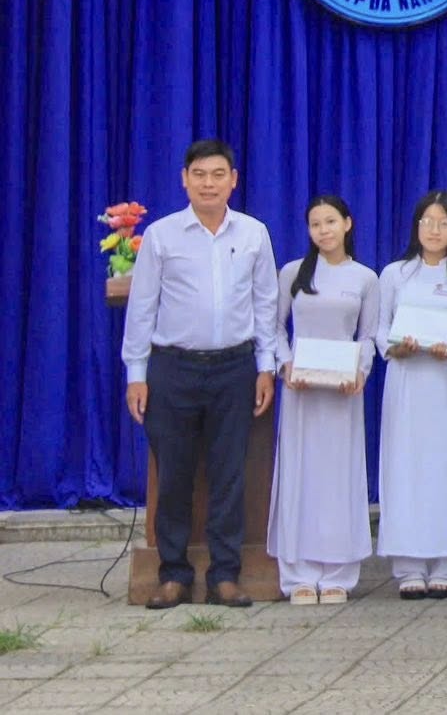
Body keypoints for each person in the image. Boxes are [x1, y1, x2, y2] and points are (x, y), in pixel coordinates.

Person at [120, 139, 279, 609]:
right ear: (184, 180)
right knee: (174, 474)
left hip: (235, 367)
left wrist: (265, 367)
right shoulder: (162, 236)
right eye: (200, 175)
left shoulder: (253, 234)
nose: (209, 184)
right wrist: (136, 373)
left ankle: (225, 576)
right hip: (173, 369)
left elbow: (266, 304)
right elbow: (142, 307)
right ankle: (173, 575)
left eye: (218, 175)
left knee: (230, 474)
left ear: (234, 180)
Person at [268, 195, 378, 605]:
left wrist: (360, 371)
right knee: (300, 474)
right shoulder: (293, 273)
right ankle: (298, 574)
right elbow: (274, 328)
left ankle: (338, 573)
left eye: (330, 222)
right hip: (301, 392)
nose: (323, 230)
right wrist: (286, 365)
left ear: (347, 224)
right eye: (315, 224)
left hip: (342, 394)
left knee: (338, 477)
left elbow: (368, 336)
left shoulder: (365, 278)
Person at [375, 190, 447, 598]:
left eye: (443, 223)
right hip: (407, 380)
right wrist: (394, 348)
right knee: (406, 465)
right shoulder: (395, 274)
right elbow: (379, 329)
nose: (434, 230)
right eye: (427, 222)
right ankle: (408, 565)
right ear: (416, 226)